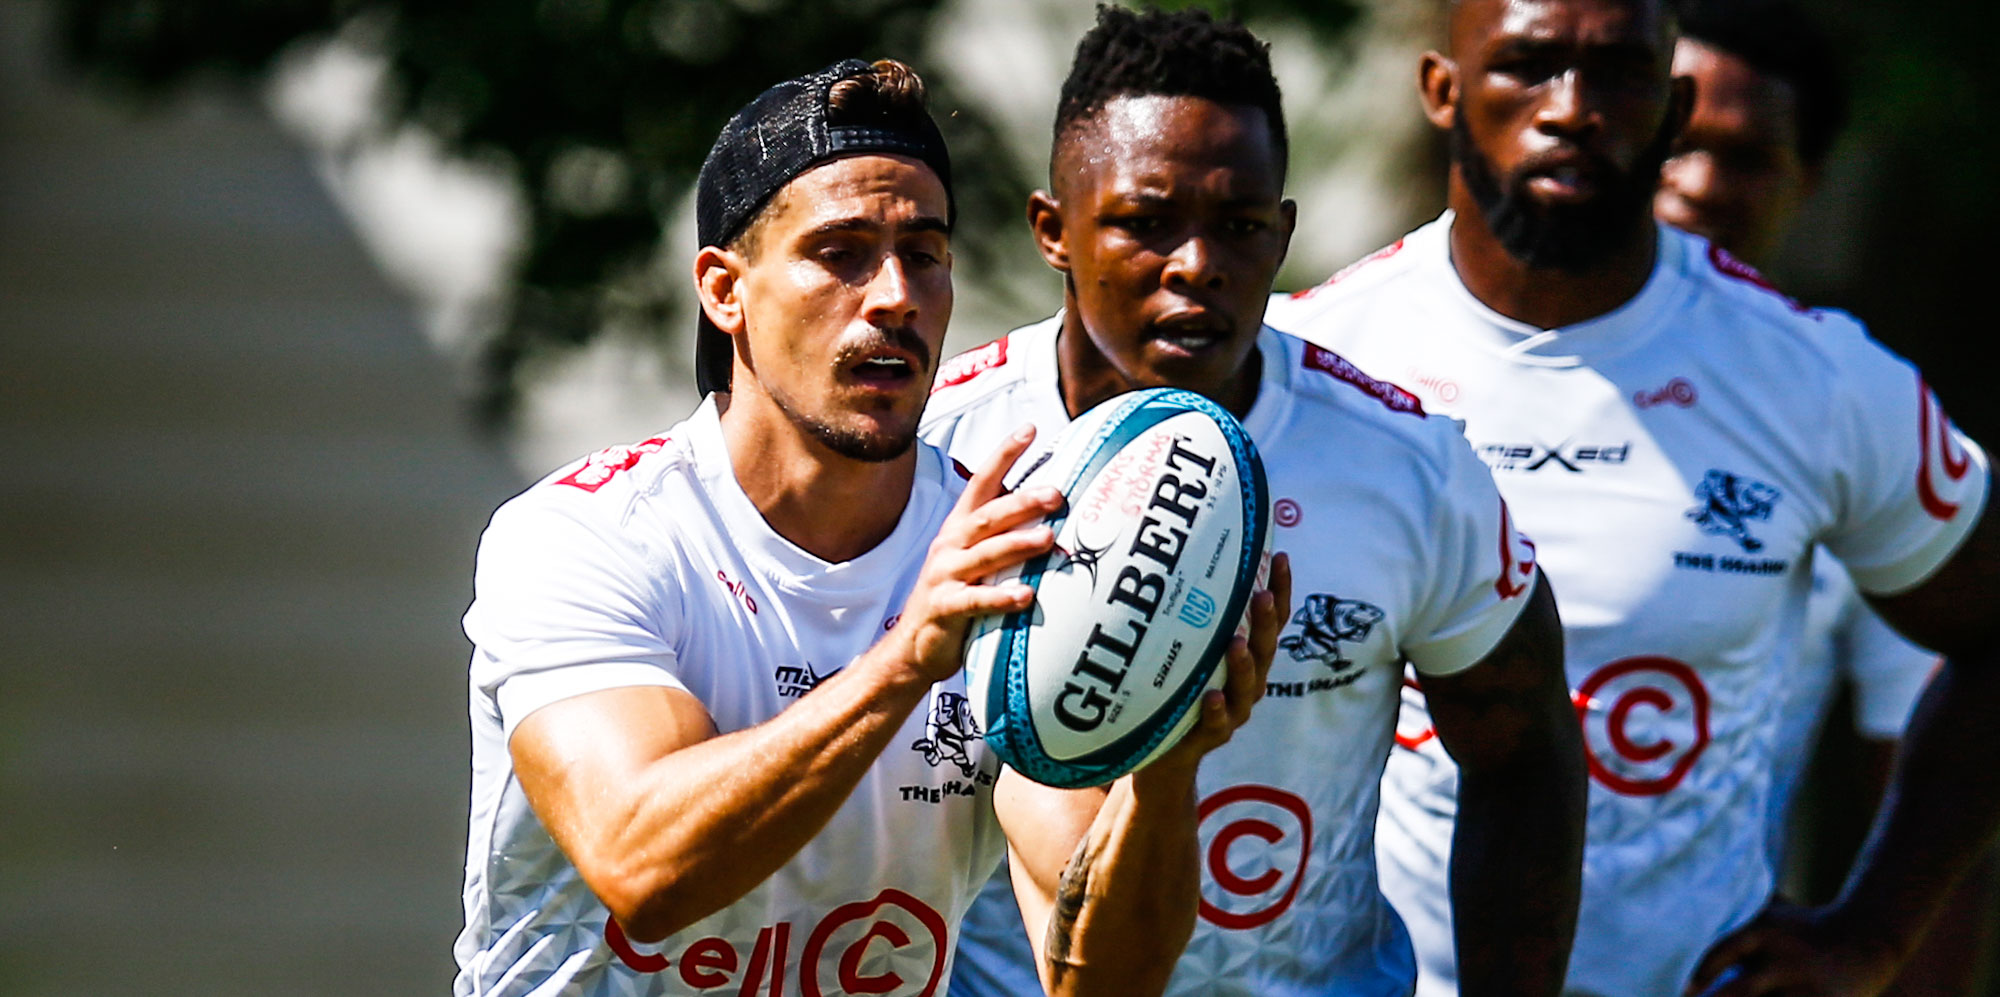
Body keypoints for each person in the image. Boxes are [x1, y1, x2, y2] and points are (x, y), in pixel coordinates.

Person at [450, 57, 1289, 997]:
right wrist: (904, 661)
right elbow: (643, 867)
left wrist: (1163, 769)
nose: (895, 294)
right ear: (725, 291)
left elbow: (1103, 980)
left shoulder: (1003, 553)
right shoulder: (585, 536)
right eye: (840, 252)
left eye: (924, 253)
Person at [1270, 0, 2000, 994]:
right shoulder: (1315, 360)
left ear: (1671, 104)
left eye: (1616, 70)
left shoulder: (1814, 378)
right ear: (1441, 88)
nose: (1572, 108)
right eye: (1529, 64)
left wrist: (1872, 934)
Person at [924, 8, 1586, 997]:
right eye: (1145, 222)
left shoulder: (1404, 466)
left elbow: (1525, 754)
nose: (1196, 264)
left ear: (1280, 236)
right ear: (1053, 230)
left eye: (1237, 226)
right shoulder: (943, 453)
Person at [1657, 4, 1994, 994]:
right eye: (1675, 142)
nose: (1700, 183)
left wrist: (1872, 945)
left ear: (1805, 182)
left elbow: (1930, 784)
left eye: (1747, 157)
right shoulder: (1417, 385)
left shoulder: (1865, 430)